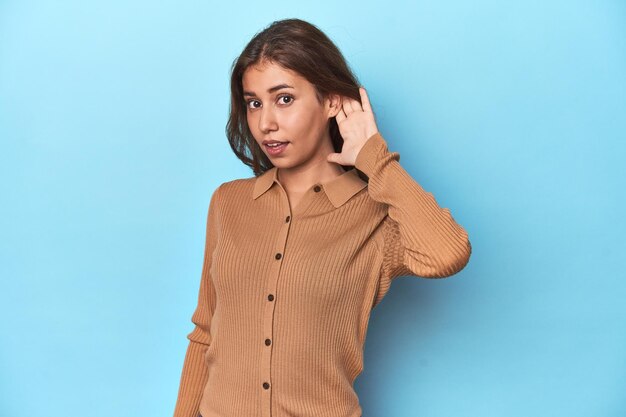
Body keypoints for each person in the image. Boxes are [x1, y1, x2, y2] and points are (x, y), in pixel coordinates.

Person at [173, 18, 472, 417]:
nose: (266, 123)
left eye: (284, 99)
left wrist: (374, 158)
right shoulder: (229, 203)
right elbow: (205, 332)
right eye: (254, 103)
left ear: (332, 101)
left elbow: (448, 253)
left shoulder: (375, 213)